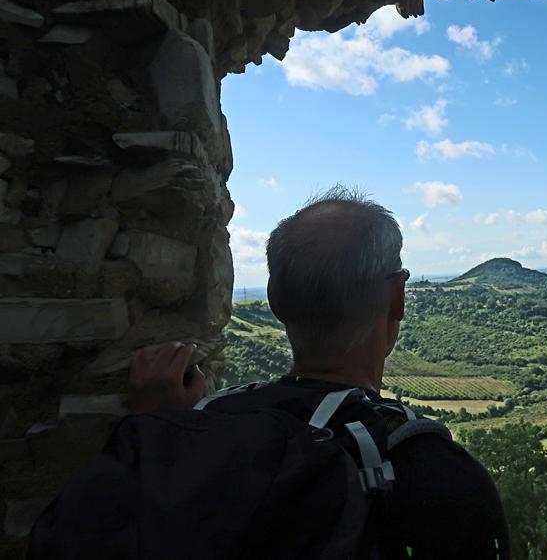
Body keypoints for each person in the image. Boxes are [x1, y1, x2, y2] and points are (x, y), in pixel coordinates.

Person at [126, 187, 510, 559]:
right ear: (398, 298)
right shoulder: (445, 476)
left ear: (274, 299)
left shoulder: (190, 438)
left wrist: (160, 431)